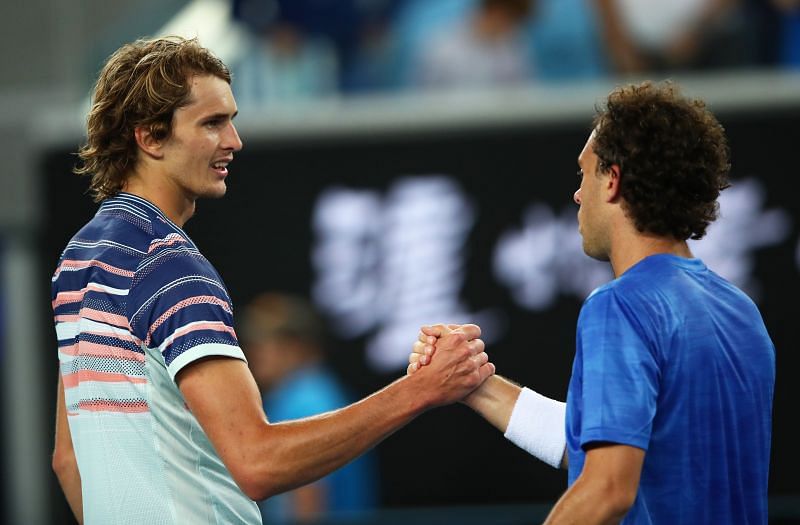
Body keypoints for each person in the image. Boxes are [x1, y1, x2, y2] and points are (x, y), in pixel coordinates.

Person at [50, 36, 494, 525]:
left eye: (232, 120)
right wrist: (421, 390)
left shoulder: (78, 259)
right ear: (150, 137)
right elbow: (257, 462)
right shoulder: (169, 266)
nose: (234, 141)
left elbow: (69, 462)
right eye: (212, 123)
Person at [410, 81, 775, 524]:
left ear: (613, 180)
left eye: (584, 173)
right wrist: (474, 385)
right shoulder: (741, 312)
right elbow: (605, 447)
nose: (578, 194)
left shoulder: (622, 305)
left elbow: (606, 487)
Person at [239, 292, 378, 523]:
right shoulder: (310, 391)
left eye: (263, 343)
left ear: (295, 346)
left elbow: (309, 499)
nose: (254, 353)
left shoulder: (307, 401)